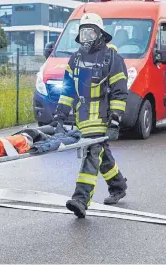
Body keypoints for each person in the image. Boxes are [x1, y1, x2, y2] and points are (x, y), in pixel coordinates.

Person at [52, 13, 128, 218]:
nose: (86, 37)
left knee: (92, 153)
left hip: (102, 118)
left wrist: (115, 120)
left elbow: (120, 92)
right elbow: (68, 91)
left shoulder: (112, 58)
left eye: (90, 32)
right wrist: (59, 116)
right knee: (102, 153)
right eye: (83, 32)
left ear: (100, 34)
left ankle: (81, 199)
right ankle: (118, 185)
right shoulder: (75, 59)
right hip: (83, 117)